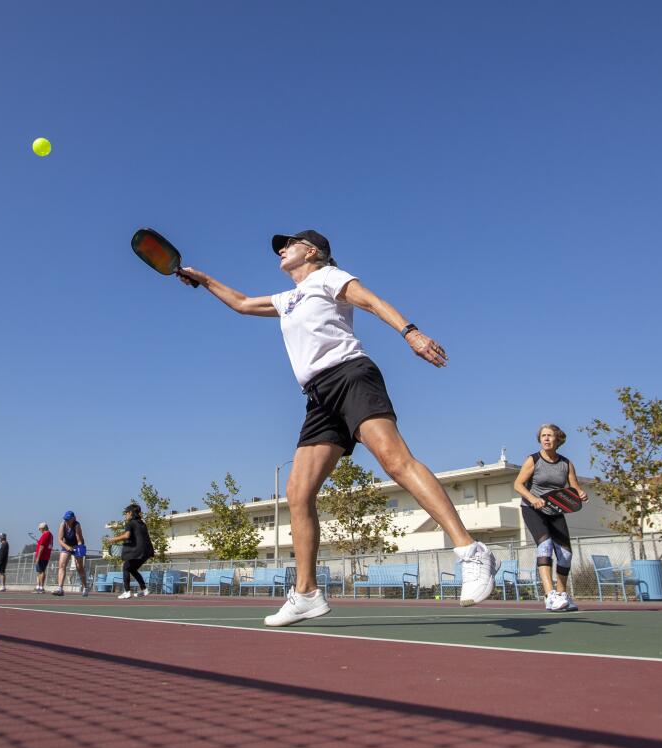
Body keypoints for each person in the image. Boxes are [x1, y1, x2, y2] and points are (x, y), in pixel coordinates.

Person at [176, 229, 499, 626]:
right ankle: (307, 593)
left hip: (350, 376)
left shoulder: (328, 277)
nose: (280, 249)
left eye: (288, 244)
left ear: (310, 251)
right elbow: (242, 303)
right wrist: (204, 280)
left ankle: (471, 552)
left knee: (395, 462)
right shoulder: (289, 298)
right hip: (318, 396)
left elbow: (374, 302)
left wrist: (410, 333)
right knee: (297, 492)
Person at [513, 424, 588, 612]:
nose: (546, 439)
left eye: (550, 435)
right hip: (532, 509)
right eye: (543, 436)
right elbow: (518, 484)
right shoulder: (533, 460)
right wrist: (532, 499)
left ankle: (562, 595)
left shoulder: (566, 464)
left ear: (558, 439)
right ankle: (549, 596)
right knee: (545, 545)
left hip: (555, 511)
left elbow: (574, 488)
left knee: (566, 555)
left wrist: (581, 494)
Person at [106, 503, 154, 599]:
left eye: (126, 513)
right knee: (132, 569)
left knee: (126, 567)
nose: (125, 515)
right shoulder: (142, 524)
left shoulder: (130, 523)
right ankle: (145, 590)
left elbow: (127, 536)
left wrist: (113, 539)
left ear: (131, 513)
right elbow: (138, 538)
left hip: (139, 551)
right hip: (147, 551)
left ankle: (127, 591)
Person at [53, 511, 89, 597]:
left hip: (77, 545)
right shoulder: (63, 525)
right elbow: (60, 540)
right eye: (66, 519)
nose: (67, 521)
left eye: (68, 519)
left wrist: (79, 551)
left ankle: (85, 587)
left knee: (79, 567)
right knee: (62, 565)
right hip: (66, 545)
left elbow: (79, 540)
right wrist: (67, 547)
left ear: (73, 518)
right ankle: (60, 588)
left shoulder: (77, 525)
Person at [33, 522, 53, 593]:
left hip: (42, 556)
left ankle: (41, 587)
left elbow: (42, 547)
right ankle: (38, 586)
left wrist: (38, 557)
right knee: (39, 571)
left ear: (43, 528)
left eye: (40, 529)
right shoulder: (50, 535)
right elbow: (49, 545)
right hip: (46, 556)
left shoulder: (45, 534)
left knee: (41, 571)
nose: (39, 531)